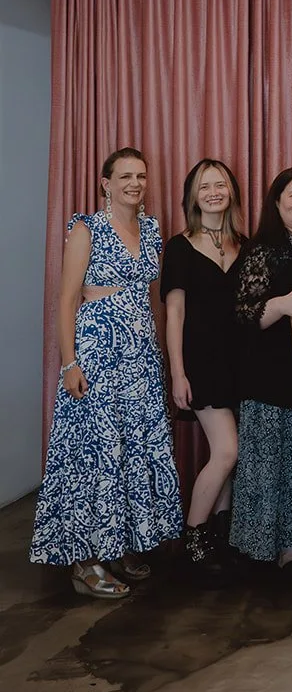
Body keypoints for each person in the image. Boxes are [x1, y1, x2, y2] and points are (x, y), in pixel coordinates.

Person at [30, 148, 182, 596]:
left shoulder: (151, 228)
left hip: (140, 358)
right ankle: (85, 562)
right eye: (125, 176)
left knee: (132, 451)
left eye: (141, 176)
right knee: (94, 454)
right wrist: (69, 362)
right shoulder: (88, 228)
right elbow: (66, 299)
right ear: (106, 183)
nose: (134, 183)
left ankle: (118, 544)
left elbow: (148, 297)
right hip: (97, 356)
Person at [230, 167, 292, 583]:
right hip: (270, 377)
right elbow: (243, 314)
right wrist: (283, 305)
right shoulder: (264, 250)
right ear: (276, 202)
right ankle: (277, 551)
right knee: (270, 466)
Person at [160, 158, 245, 575]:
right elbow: (174, 314)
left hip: (240, 362)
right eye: (205, 186)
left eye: (221, 184)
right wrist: (178, 373)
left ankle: (220, 537)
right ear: (193, 196)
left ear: (232, 192)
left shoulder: (243, 244)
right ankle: (193, 539)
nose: (214, 192)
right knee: (227, 451)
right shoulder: (180, 246)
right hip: (201, 363)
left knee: (229, 454)